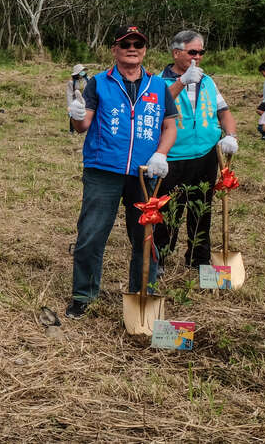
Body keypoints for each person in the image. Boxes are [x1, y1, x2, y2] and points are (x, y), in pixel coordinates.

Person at [65, 25, 178, 319]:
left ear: (144, 49)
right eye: (125, 43)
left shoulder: (158, 86)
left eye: (138, 44)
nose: (132, 48)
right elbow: (84, 125)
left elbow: (169, 126)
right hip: (104, 169)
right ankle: (83, 295)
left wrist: (160, 154)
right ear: (114, 49)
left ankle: (144, 291)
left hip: (145, 174)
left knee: (145, 236)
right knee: (91, 234)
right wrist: (77, 115)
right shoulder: (99, 83)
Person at [153, 31, 237, 269]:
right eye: (192, 52)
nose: (198, 57)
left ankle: (198, 259)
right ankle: (160, 256)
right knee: (169, 210)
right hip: (174, 156)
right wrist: (182, 82)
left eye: (201, 52)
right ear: (176, 52)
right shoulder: (160, 81)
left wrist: (231, 135)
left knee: (202, 209)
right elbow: (158, 106)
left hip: (206, 155)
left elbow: (224, 111)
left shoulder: (207, 81)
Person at [65, 64, 88, 133]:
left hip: (85, 100)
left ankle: (84, 129)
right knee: (73, 115)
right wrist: (69, 106)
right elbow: (69, 95)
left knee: (85, 114)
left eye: (83, 71)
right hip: (76, 101)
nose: (83, 72)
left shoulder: (87, 79)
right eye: (81, 71)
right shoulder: (71, 82)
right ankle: (72, 130)